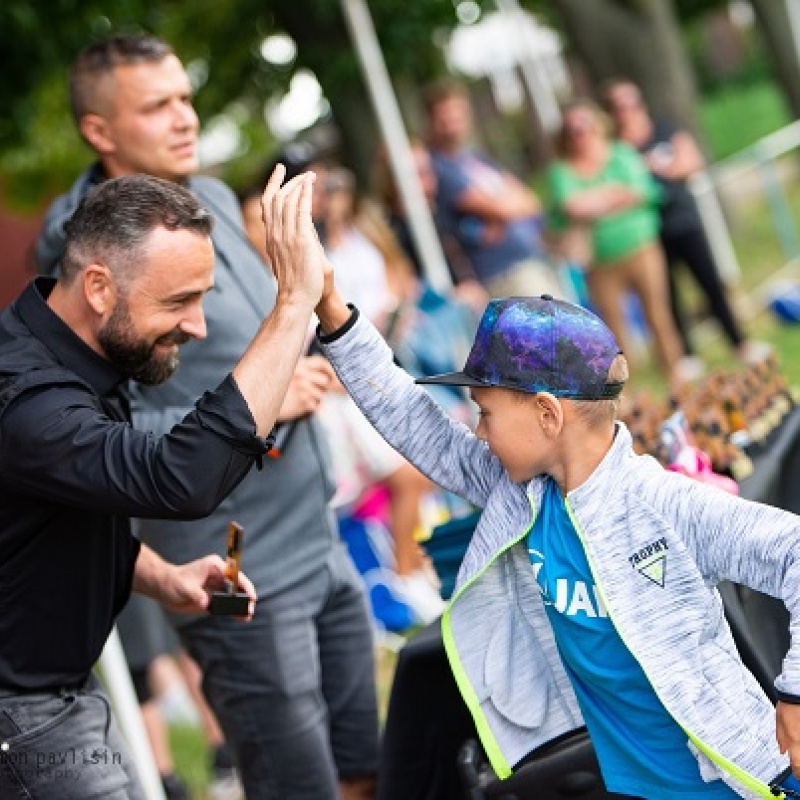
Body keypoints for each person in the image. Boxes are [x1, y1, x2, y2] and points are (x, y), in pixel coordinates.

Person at [307, 230, 800, 793]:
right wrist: (329, 304)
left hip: (738, 783)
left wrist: (794, 693)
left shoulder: (661, 502)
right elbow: (410, 419)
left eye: (485, 412)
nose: (478, 431)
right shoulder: (518, 494)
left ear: (547, 414)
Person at [35, 34, 378, 800]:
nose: (184, 119)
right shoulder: (81, 253)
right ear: (99, 131)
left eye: (184, 97)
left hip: (315, 531)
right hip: (232, 564)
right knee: (299, 784)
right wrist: (258, 404)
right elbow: (98, 443)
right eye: (156, 106)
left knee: (364, 763)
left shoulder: (212, 197)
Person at [0, 167, 324, 800]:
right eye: (178, 302)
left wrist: (161, 577)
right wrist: (292, 308)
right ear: (99, 287)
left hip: (56, 694)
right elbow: (177, 480)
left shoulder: (78, 353)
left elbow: (52, 520)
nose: (198, 326)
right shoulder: (27, 399)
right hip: (23, 709)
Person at [603, 79, 755, 368]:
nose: (625, 111)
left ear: (640, 103)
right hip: (648, 232)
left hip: (684, 221)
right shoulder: (616, 150)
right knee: (668, 298)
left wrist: (650, 171)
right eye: (617, 106)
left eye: (629, 103)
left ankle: (739, 341)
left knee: (710, 283)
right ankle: (686, 355)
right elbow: (619, 189)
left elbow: (690, 162)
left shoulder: (664, 130)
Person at [547, 98, 687, 387]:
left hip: (641, 248)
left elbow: (643, 192)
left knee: (658, 315)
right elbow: (571, 207)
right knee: (614, 332)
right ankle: (631, 392)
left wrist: (594, 201)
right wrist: (613, 194)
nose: (580, 134)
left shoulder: (621, 154)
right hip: (599, 262)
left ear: (598, 127)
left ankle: (675, 378)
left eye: (585, 127)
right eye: (573, 130)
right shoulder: (561, 170)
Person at [423, 79, 559, 299]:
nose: (452, 123)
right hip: (502, 274)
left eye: (457, 115)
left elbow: (530, 199)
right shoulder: (438, 168)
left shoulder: (476, 157)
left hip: (533, 259)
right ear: (430, 120)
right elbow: (501, 209)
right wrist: (504, 206)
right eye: (444, 117)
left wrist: (504, 206)